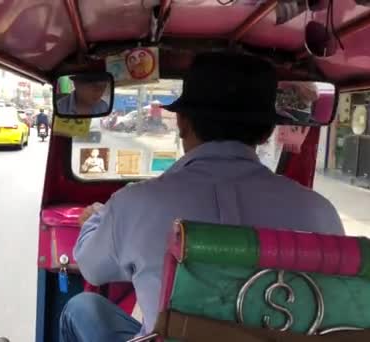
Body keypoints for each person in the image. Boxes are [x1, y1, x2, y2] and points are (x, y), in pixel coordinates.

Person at [59, 53, 344, 342]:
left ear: (182, 122)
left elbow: (92, 269)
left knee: (81, 307)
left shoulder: (134, 204)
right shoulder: (319, 212)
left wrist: (96, 220)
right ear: (267, 131)